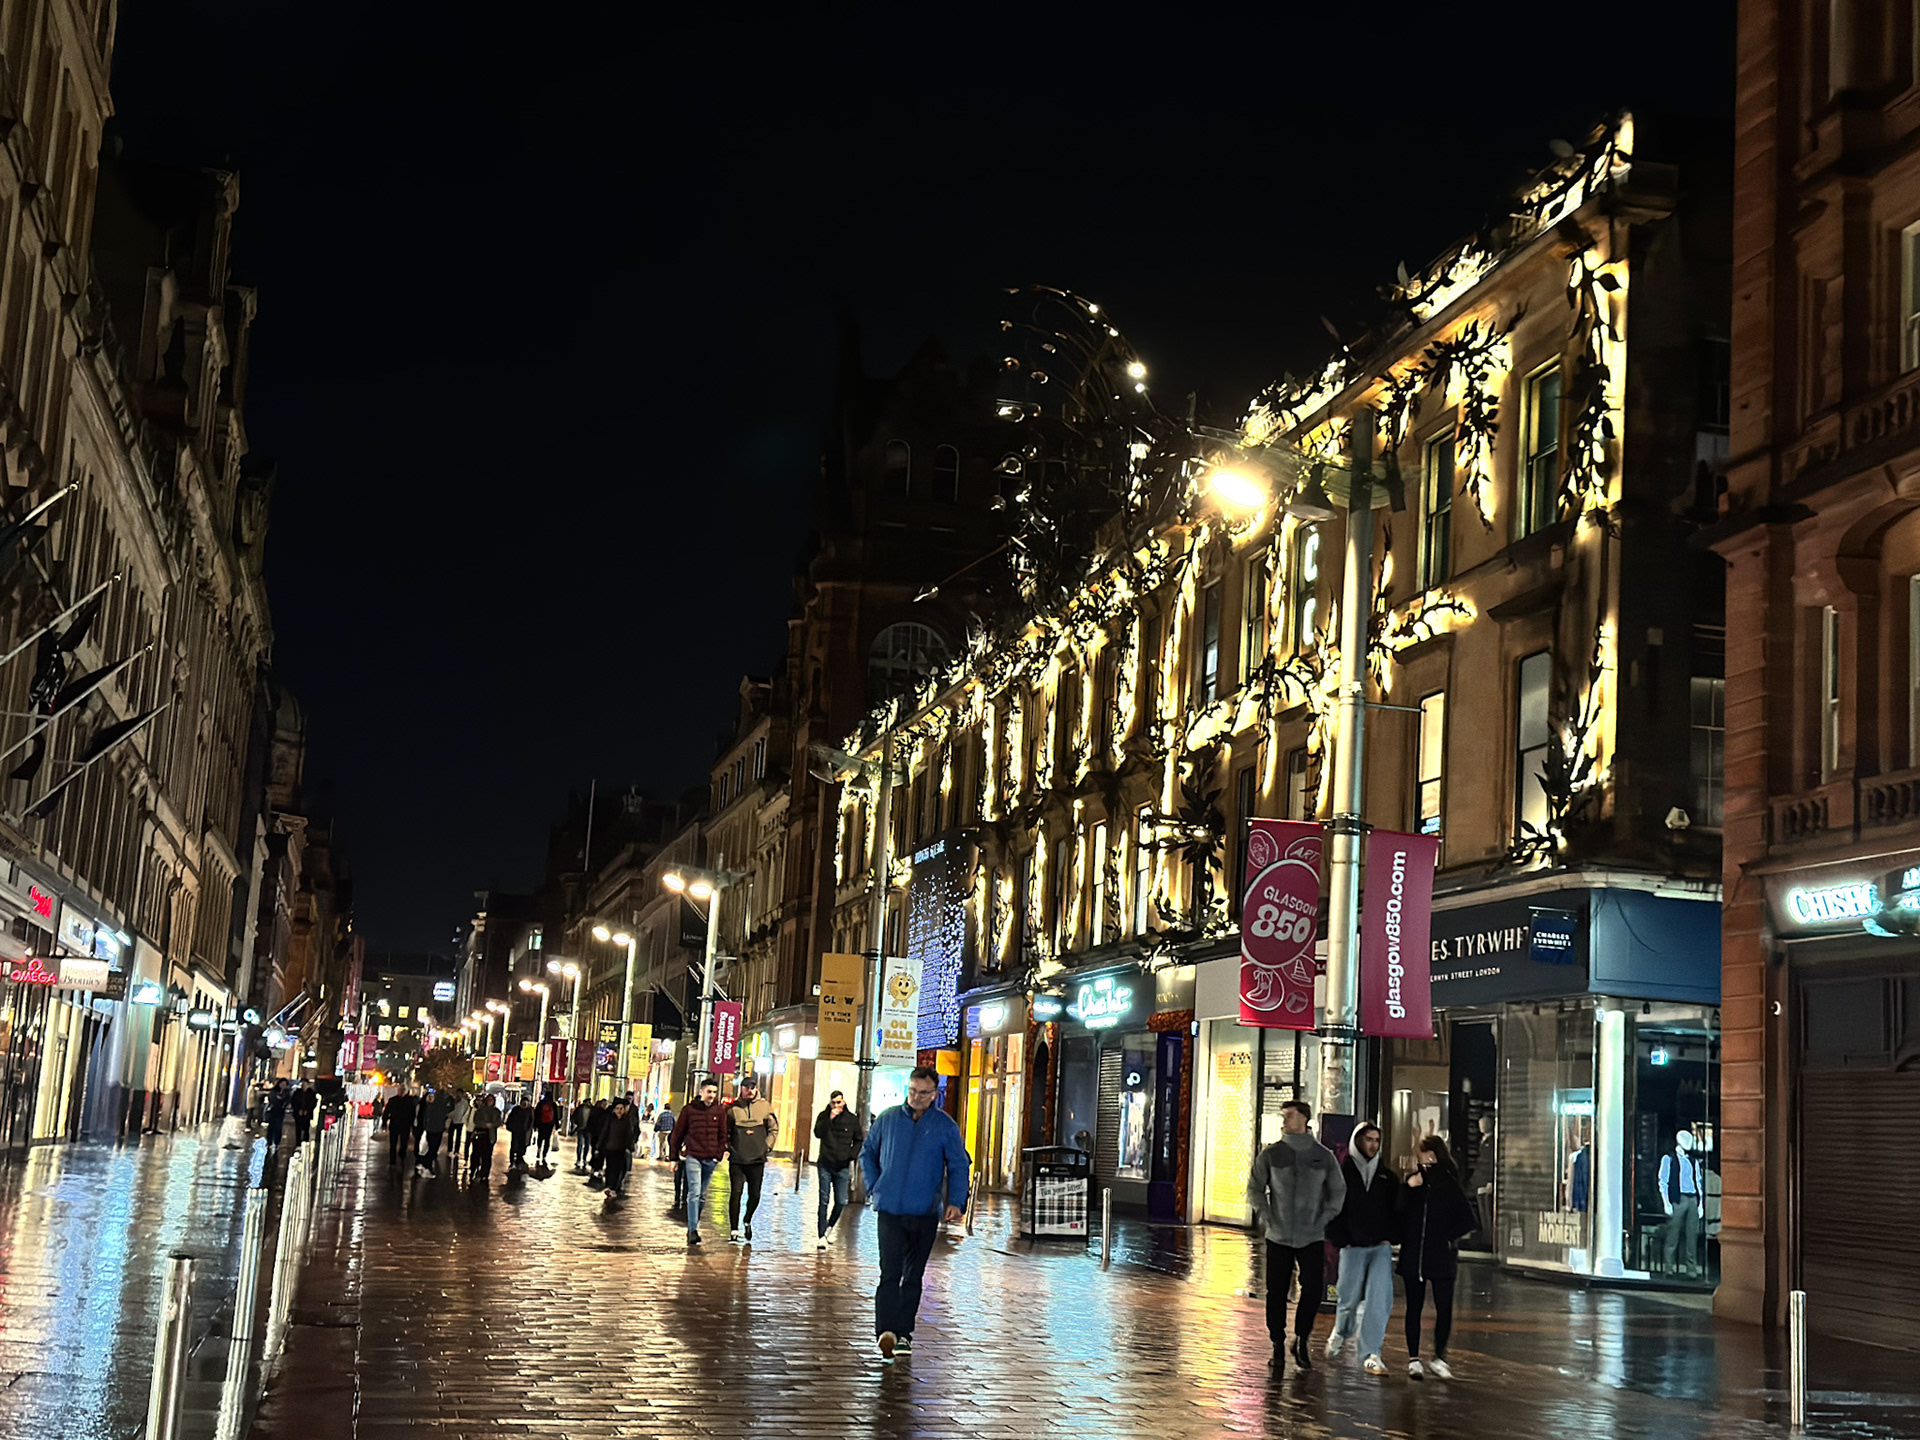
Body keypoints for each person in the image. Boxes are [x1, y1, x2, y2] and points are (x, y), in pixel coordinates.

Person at [860, 1065, 971, 1359]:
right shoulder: (888, 1119)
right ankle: (886, 1331)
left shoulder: (944, 1126)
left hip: (924, 1212)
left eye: (923, 1093)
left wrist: (956, 1201)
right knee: (890, 1272)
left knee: (912, 1276)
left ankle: (903, 1335)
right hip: (890, 1209)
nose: (916, 1097)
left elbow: (959, 1164)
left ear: (934, 1094)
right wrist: (874, 1186)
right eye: (912, 1091)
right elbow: (867, 1153)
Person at [1248, 1099, 1346, 1374]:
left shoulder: (1323, 1156)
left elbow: (1338, 1190)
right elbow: (1255, 1188)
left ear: (1304, 1118)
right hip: (1278, 1235)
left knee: (1313, 1287)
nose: (1284, 1120)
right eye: (1284, 1116)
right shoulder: (1271, 1154)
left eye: (1289, 1115)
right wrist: (1266, 1215)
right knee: (1276, 1291)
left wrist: (1324, 1217)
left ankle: (1302, 1337)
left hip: (1311, 1235)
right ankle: (1277, 1343)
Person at [1397, 1135, 1478, 1380]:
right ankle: (1414, 1359)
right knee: (1415, 1307)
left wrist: (1447, 1239)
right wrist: (1408, 1187)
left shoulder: (1448, 1183)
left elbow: (1467, 1220)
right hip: (1415, 1256)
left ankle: (1439, 1357)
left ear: (1431, 1154)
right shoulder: (1414, 1182)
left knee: (1443, 1308)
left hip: (1440, 1256)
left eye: (1422, 1154)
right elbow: (1399, 1211)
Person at [1325, 1122, 1400, 1376]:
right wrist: (1339, 1238)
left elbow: (1396, 1209)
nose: (1373, 1145)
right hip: (1352, 1246)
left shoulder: (1386, 1177)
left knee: (1379, 1299)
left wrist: (1391, 1236)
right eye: (1369, 1139)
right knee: (1348, 1298)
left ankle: (1371, 1352)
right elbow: (1334, 1207)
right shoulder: (1342, 1172)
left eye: (1377, 1140)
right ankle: (1341, 1330)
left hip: (1379, 1246)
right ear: (1358, 1141)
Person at [669, 1080, 728, 1245]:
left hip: (710, 1158)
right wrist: (674, 1158)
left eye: (714, 1092)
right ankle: (692, 1230)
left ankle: (694, 1223)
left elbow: (723, 1135)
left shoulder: (719, 1111)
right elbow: (677, 1134)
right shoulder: (689, 1110)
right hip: (693, 1156)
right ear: (701, 1092)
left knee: (702, 1196)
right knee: (694, 1193)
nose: (712, 1095)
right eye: (709, 1091)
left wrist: (718, 1155)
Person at [726, 1076, 779, 1243]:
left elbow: (773, 1129)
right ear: (741, 1089)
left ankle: (747, 1219)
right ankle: (734, 1229)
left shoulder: (765, 1107)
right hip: (737, 1159)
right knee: (736, 1193)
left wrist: (766, 1146)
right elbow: (725, 1130)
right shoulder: (732, 1109)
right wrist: (729, 1147)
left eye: (752, 1087)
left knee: (755, 1194)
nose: (750, 1090)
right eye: (746, 1087)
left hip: (757, 1160)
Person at [813, 1089, 864, 1249]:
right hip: (825, 1163)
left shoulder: (851, 1119)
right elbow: (818, 1133)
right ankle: (821, 1235)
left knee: (841, 1201)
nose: (836, 1106)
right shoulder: (824, 1116)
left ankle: (829, 1228)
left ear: (844, 1102)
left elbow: (859, 1139)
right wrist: (830, 1118)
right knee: (823, 1200)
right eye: (833, 1103)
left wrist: (851, 1155)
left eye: (839, 1102)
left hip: (842, 1165)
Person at [1658, 1130, 1704, 1277]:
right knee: (1673, 1234)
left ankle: (1691, 1269)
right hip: (1678, 1199)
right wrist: (1666, 1202)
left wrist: (1700, 1204)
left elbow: (1698, 1182)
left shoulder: (1693, 1161)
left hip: (1692, 1198)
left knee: (1692, 1236)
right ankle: (1669, 1268)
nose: (1688, 1142)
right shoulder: (1669, 1158)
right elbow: (1663, 1181)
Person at [602, 1096, 641, 1199]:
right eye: (617, 1109)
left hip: (621, 1149)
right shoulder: (610, 1120)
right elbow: (604, 1132)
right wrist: (599, 1146)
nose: (619, 1111)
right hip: (610, 1148)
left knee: (619, 1169)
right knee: (610, 1168)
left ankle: (614, 1187)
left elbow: (629, 1135)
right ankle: (610, 1186)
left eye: (621, 1109)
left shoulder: (627, 1121)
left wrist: (630, 1146)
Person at [416, 1087, 453, 1176]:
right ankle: (425, 1164)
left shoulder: (431, 1106)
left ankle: (424, 1163)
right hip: (438, 1130)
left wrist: (426, 1126)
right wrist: (450, 1098)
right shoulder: (443, 1107)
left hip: (430, 1129)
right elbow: (451, 1108)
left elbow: (426, 1117)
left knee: (431, 1148)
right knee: (433, 1149)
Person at [468, 1092, 503, 1180]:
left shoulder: (496, 1112)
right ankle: (474, 1170)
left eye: (491, 1100)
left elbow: (499, 1122)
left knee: (487, 1156)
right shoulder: (480, 1110)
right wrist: (485, 1125)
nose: (490, 1102)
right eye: (489, 1100)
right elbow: (476, 1121)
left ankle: (484, 1173)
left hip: (490, 1136)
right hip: (480, 1135)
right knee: (476, 1154)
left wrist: (492, 1125)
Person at [383, 1086, 418, 1167]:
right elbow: (386, 1112)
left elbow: (412, 1114)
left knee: (404, 1143)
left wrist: (412, 1125)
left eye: (403, 1090)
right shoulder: (393, 1100)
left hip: (404, 1125)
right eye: (400, 1090)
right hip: (395, 1125)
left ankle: (401, 1155)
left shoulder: (409, 1101)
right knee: (393, 1144)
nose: (401, 1092)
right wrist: (384, 1123)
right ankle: (393, 1160)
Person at [584, 1098, 612, 1184]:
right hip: (600, 1137)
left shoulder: (595, 1113)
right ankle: (597, 1168)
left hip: (595, 1136)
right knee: (600, 1153)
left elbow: (590, 1124)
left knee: (595, 1152)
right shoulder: (605, 1114)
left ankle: (595, 1167)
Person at [505, 1096, 535, 1171]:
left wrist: (529, 1129)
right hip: (516, 1131)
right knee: (514, 1146)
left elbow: (531, 1121)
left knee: (522, 1146)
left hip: (524, 1132)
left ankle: (519, 1160)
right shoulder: (516, 1109)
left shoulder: (530, 1110)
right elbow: (510, 1119)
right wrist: (510, 1127)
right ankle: (512, 1161)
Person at [263, 1080, 291, 1160]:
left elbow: (287, 1101)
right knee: (271, 1127)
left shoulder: (287, 1093)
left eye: (285, 1084)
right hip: (272, 1112)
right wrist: (278, 1100)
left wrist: (281, 1100)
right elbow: (272, 1099)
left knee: (278, 1127)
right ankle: (269, 1142)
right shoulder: (274, 1091)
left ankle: (276, 1143)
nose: (283, 1085)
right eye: (282, 1084)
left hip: (280, 1113)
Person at [533, 1092, 560, 1165]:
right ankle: (544, 1155)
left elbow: (536, 1114)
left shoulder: (541, 1103)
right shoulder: (553, 1104)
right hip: (549, 1124)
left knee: (540, 1137)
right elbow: (556, 1116)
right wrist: (557, 1125)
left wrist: (535, 1125)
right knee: (547, 1139)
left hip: (541, 1123)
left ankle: (539, 1149)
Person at [290, 1080, 318, 1146]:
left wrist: (307, 1110)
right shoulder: (297, 1092)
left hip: (307, 1113)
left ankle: (305, 1141)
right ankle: (298, 1143)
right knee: (298, 1128)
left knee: (306, 1127)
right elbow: (293, 1102)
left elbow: (313, 1103)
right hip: (298, 1113)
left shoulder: (311, 1093)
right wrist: (297, 1110)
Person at [447, 1088, 472, 1162]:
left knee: (458, 1136)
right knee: (450, 1136)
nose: (459, 1095)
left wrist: (463, 1119)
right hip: (452, 1120)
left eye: (460, 1093)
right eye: (458, 1093)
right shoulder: (452, 1101)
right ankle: (449, 1150)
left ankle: (456, 1151)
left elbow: (466, 1111)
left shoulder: (464, 1102)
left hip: (460, 1121)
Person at [571, 1097, 595, 1172]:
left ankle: (581, 1159)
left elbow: (574, 1117)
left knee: (583, 1145)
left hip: (584, 1129)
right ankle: (581, 1159)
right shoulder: (589, 1109)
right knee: (583, 1145)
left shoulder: (589, 1109)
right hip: (584, 1129)